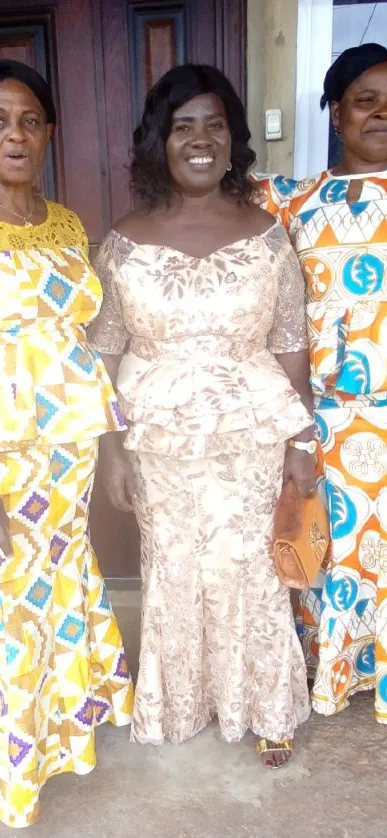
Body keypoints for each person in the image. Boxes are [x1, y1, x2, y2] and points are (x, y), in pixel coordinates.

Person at [87, 63, 316, 767]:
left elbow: (290, 343)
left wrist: (301, 441)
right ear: (159, 140)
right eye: (182, 125)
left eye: (214, 124)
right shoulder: (122, 243)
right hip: (157, 439)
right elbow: (98, 352)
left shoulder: (268, 237)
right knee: (174, 570)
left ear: (233, 139)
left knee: (250, 570)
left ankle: (268, 707)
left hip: (250, 433)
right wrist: (111, 451)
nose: (200, 139)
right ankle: (179, 704)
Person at [0, 59, 133, 829]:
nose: (16, 134)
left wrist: (108, 448)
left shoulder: (66, 222)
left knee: (59, 590)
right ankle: (13, 765)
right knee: (6, 606)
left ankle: (63, 737)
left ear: (48, 132)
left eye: (29, 120)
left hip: (68, 445)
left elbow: (82, 338)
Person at [250, 42, 387, 725]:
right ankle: (334, 672)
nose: (380, 113)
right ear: (335, 113)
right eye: (364, 100)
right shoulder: (293, 203)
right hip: (323, 417)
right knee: (329, 553)